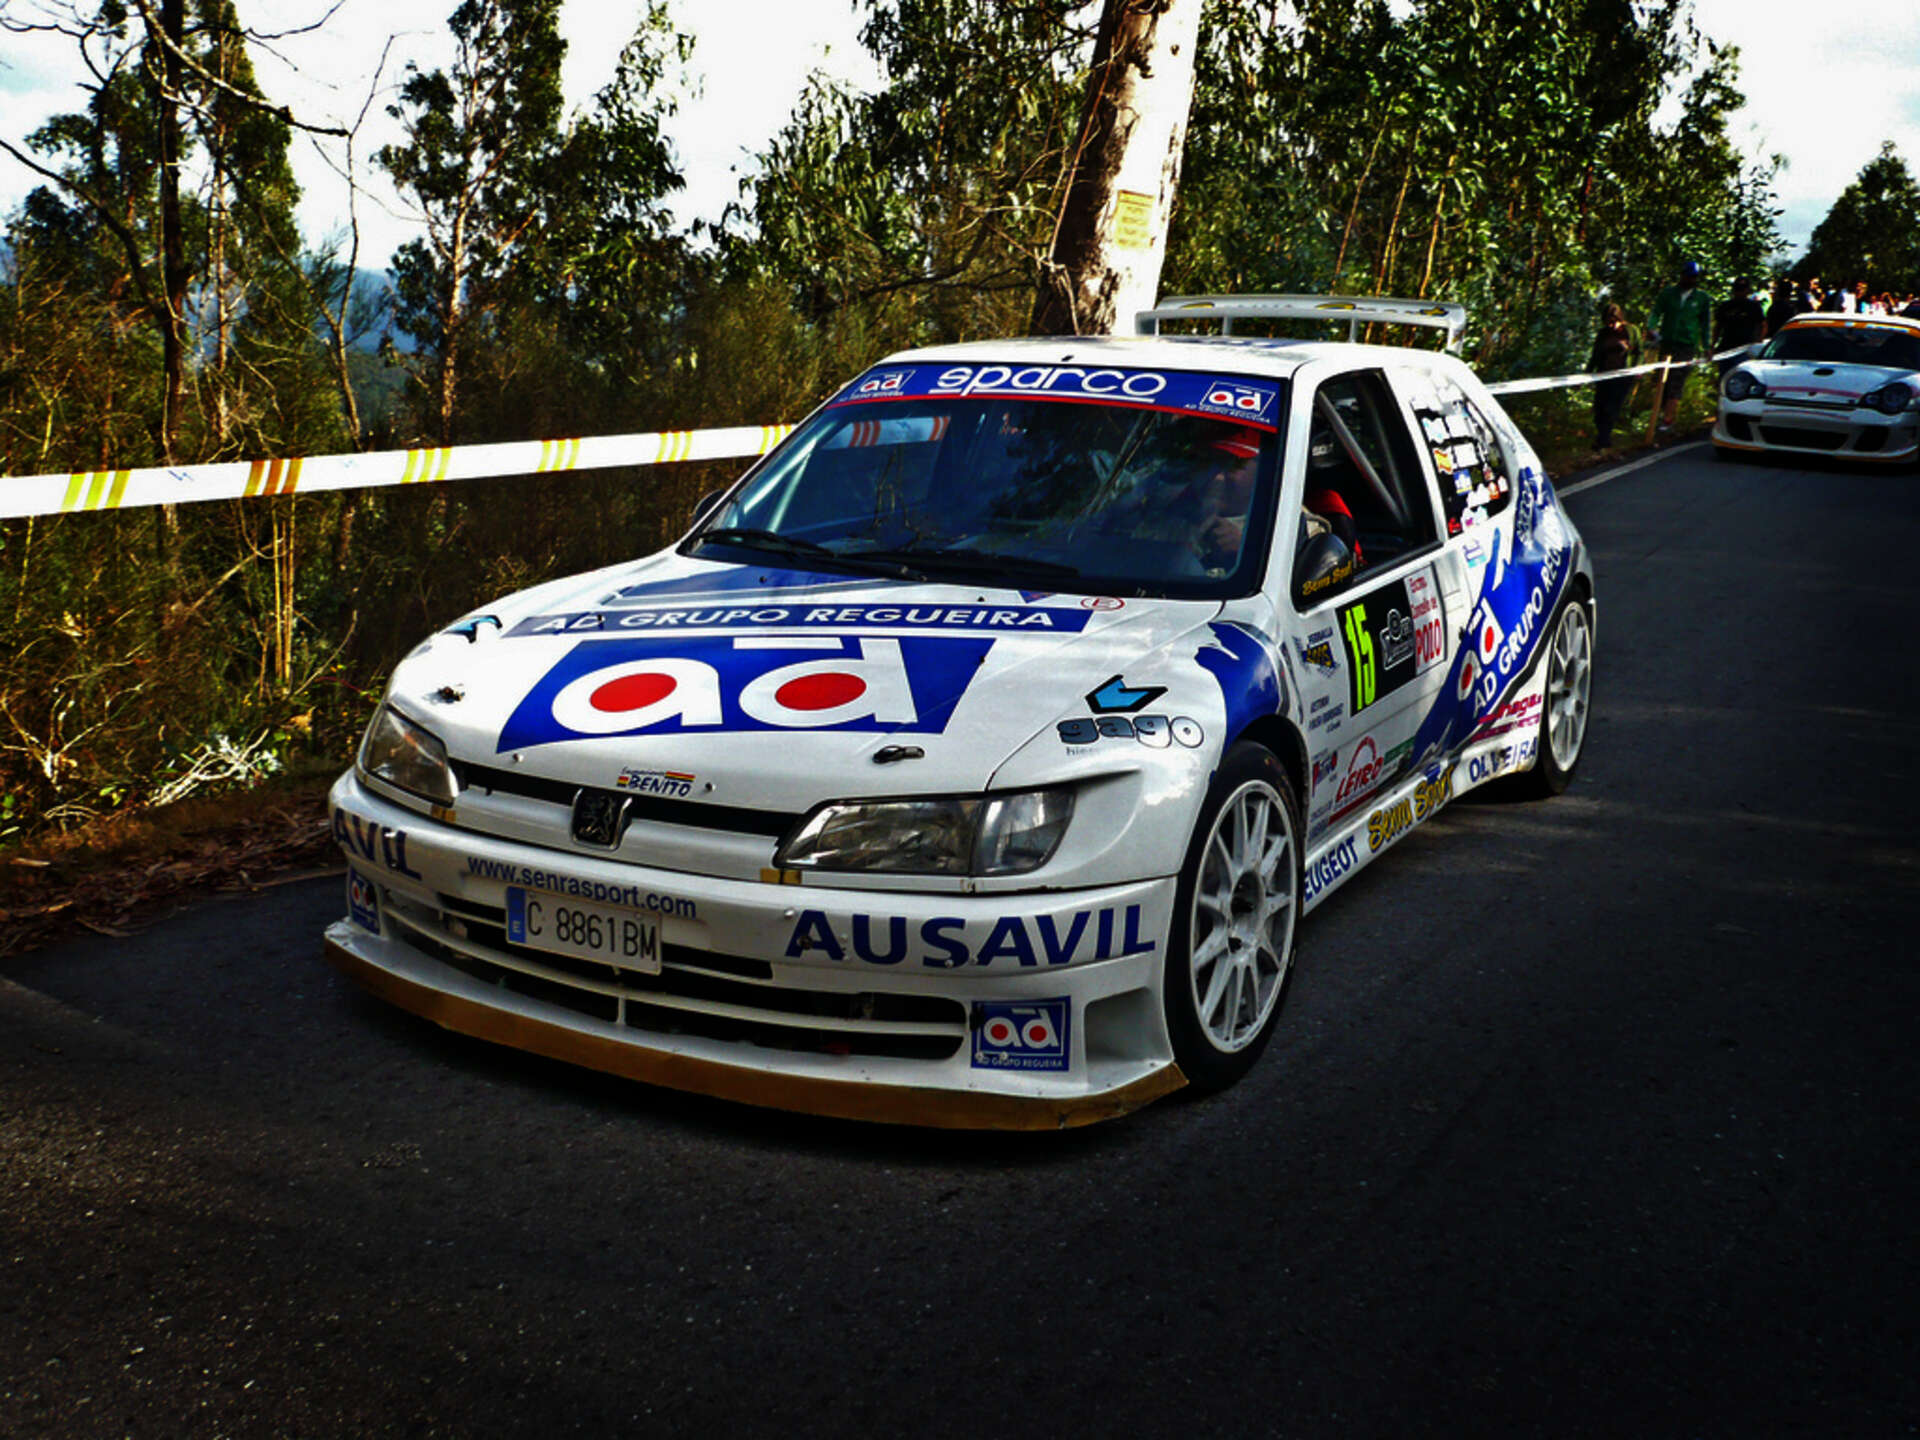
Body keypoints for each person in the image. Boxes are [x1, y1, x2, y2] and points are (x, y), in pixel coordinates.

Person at [1647, 259, 1713, 430]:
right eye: (1688, 276)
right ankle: (1657, 415)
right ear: (1682, 275)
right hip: (1667, 342)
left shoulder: (1702, 298)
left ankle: (1669, 420)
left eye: (1694, 277)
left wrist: (1707, 346)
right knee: (1662, 379)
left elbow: (1705, 324)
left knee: (1676, 381)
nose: (1691, 280)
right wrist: (1651, 328)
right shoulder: (1668, 294)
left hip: (1686, 346)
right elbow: (1656, 312)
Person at [1589, 302, 1636, 449]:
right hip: (1604, 374)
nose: (1612, 326)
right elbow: (1595, 356)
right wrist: (1587, 375)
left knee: (1612, 407)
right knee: (1599, 407)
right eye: (1608, 323)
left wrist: (1636, 369)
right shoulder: (1603, 334)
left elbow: (1638, 352)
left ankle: (1604, 439)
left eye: (1614, 322)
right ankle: (1601, 436)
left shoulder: (1631, 331)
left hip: (1623, 376)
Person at [1713, 277, 1766, 374]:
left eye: (1742, 289)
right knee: (1725, 376)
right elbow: (1718, 327)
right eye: (1738, 289)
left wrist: (1758, 342)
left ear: (1747, 290)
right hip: (1726, 349)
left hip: (1745, 350)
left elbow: (1763, 325)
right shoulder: (1726, 306)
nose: (1740, 292)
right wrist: (1712, 345)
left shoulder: (1754, 307)